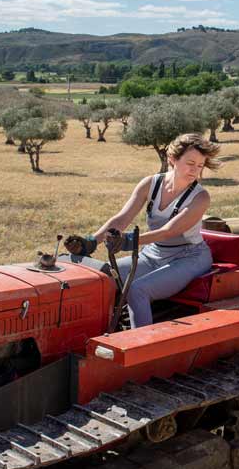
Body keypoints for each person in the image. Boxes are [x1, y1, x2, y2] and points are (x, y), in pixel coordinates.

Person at [89, 133, 221, 328]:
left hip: (189, 257)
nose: (195, 170)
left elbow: (169, 231)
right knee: (101, 275)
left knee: (137, 290)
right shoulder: (151, 184)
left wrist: (128, 242)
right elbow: (122, 218)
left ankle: (141, 349)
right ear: (172, 159)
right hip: (154, 253)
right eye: (190, 163)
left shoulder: (200, 197)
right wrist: (90, 242)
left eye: (200, 166)